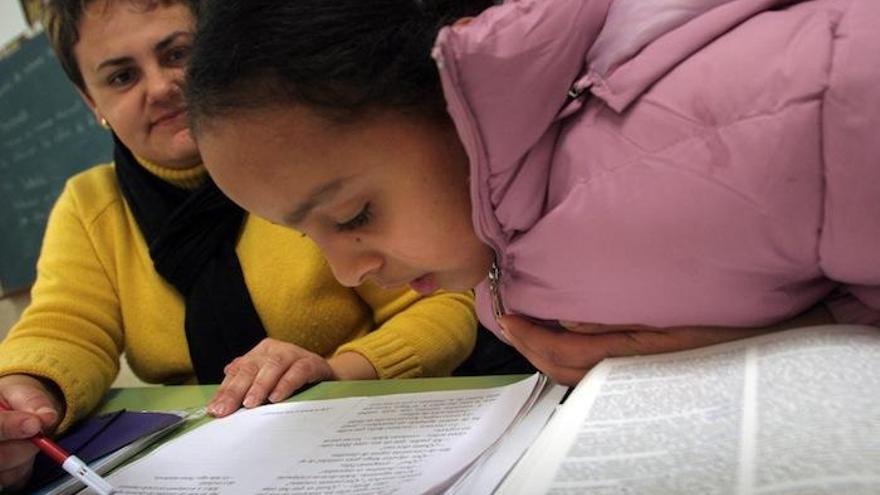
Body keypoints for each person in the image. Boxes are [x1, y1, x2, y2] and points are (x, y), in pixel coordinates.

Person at [185, 0, 880, 387]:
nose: (347, 269)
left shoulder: (791, 101)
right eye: (309, 236)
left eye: (352, 215)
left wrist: (777, 343)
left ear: (447, 89)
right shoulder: (503, 234)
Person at [0, 0, 478, 490]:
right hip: (208, 462)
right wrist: (27, 393)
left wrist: (339, 370)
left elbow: (442, 303)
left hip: (369, 435)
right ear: (91, 102)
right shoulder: (89, 206)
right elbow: (65, 327)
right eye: (122, 77)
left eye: (177, 54)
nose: (162, 87)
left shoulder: (312, 153)